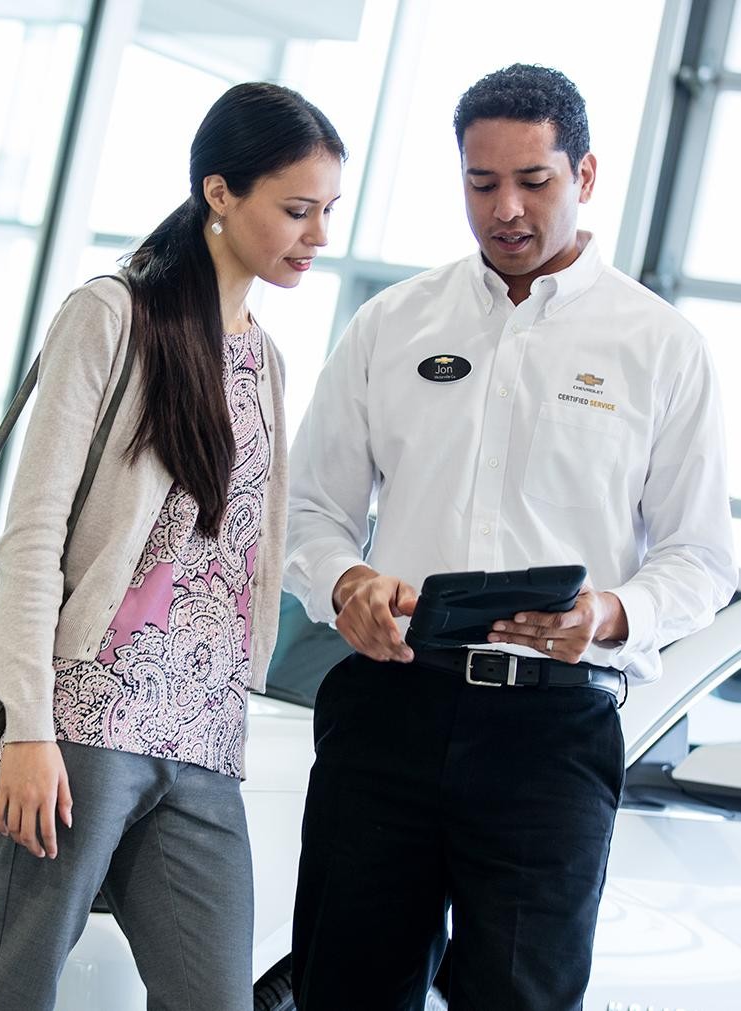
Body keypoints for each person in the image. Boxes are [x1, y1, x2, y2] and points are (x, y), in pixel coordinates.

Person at [283, 63, 736, 1011]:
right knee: (341, 991)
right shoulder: (390, 323)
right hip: (388, 709)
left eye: (534, 181)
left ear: (585, 175)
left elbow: (700, 558)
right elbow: (308, 510)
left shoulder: (660, 347)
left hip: (551, 734)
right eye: (481, 182)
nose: (506, 210)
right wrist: (343, 581)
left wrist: (609, 613)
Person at [0, 82, 344, 1010]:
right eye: (297, 209)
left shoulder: (266, 359)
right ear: (219, 192)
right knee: (13, 980)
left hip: (204, 735)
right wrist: (28, 726)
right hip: (87, 719)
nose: (318, 235)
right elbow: (34, 532)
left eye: (329, 210)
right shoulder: (112, 314)